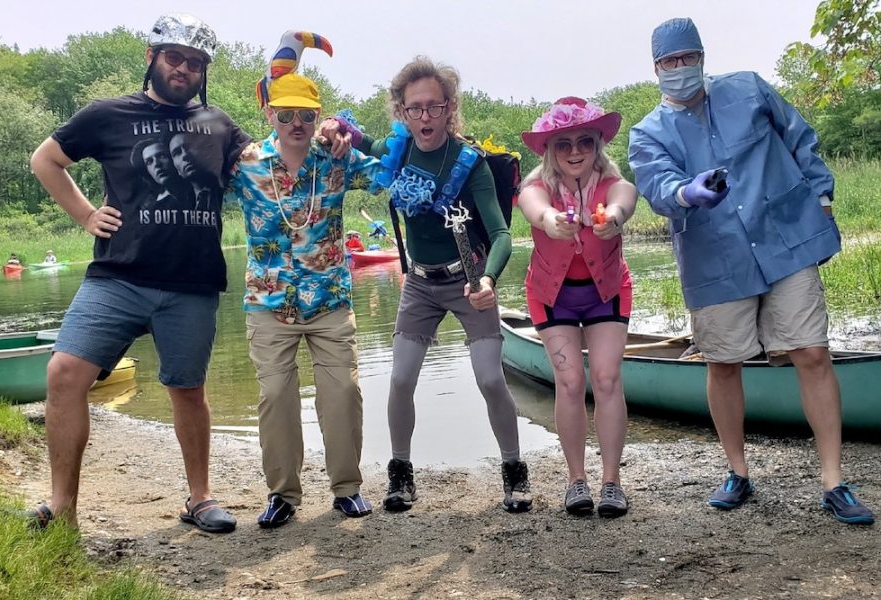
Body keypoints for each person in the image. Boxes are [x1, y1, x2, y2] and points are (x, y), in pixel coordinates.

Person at [628, 17, 874, 525]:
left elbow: (800, 138)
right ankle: (737, 473)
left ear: (702, 57)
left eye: (688, 57)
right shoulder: (647, 133)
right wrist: (686, 192)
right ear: (656, 68)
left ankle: (834, 481)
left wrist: (822, 199)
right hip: (713, 258)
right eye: (670, 61)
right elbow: (657, 186)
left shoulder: (749, 88)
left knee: (812, 352)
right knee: (722, 363)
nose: (680, 68)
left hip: (786, 238)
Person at [28, 13, 251, 533]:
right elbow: (45, 160)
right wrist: (86, 214)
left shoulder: (220, 125)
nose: (184, 68)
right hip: (117, 277)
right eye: (175, 57)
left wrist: (321, 132)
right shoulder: (108, 114)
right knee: (64, 374)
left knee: (188, 389)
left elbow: (269, 166)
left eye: (195, 62)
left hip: (192, 282)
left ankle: (199, 499)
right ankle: (62, 507)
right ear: (152, 57)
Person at [322, 56, 533, 513]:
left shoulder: (470, 163)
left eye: (433, 107)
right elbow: (355, 135)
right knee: (400, 378)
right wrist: (333, 126)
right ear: (401, 111)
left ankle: (514, 472)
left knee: (490, 378)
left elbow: (500, 235)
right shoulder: (398, 150)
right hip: (419, 284)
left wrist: (488, 279)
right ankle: (401, 475)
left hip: (468, 281)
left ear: (449, 107)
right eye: (414, 108)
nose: (424, 117)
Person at [225, 59, 381, 526]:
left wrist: (352, 133)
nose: (297, 123)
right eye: (286, 114)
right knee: (275, 395)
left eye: (307, 115)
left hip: (329, 299)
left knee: (343, 392)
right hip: (269, 302)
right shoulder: (245, 163)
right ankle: (283, 495)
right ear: (269, 114)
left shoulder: (336, 157)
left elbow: (389, 174)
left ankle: (347, 488)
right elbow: (195, 185)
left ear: (319, 116)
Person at [518, 97, 637, 517]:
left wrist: (613, 218)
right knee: (569, 382)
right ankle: (576, 480)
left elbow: (624, 200)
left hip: (607, 290)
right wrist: (552, 221)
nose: (574, 152)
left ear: (597, 145)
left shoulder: (614, 183)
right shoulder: (536, 187)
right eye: (563, 144)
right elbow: (536, 210)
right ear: (550, 150)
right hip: (553, 295)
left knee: (606, 378)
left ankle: (612, 482)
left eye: (584, 141)